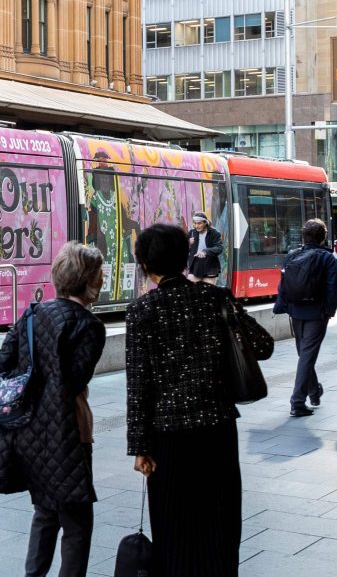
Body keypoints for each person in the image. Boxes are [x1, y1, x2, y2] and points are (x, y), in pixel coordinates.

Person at [127, 224, 272, 575]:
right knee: (219, 522)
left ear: (144, 264)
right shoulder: (215, 298)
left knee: (174, 525)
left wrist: (140, 447)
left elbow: (139, 385)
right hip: (217, 430)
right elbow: (263, 345)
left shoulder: (142, 310)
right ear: (185, 259)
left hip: (167, 438)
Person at [0, 243, 107, 577]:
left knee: (46, 511)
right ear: (88, 280)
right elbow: (73, 381)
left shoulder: (32, 315)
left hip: (27, 429)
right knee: (77, 520)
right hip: (68, 431)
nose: (103, 278)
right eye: (99, 273)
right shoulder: (89, 325)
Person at [273, 219, 337, 417]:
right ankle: (297, 402)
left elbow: (283, 285)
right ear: (323, 237)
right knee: (307, 355)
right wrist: (328, 311)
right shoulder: (327, 258)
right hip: (316, 312)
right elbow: (333, 287)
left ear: (303, 236)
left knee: (304, 353)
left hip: (295, 311)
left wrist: (284, 306)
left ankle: (314, 391)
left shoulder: (292, 255)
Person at [186, 212, 223, 284]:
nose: (196, 226)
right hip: (195, 265)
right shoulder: (192, 232)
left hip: (210, 265)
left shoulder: (214, 233)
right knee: (192, 288)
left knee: (208, 290)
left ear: (205, 222)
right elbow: (181, 247)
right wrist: (188, 242)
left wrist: (205, 252)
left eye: (199, 223)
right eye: (195, 223)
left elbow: (219, 248)